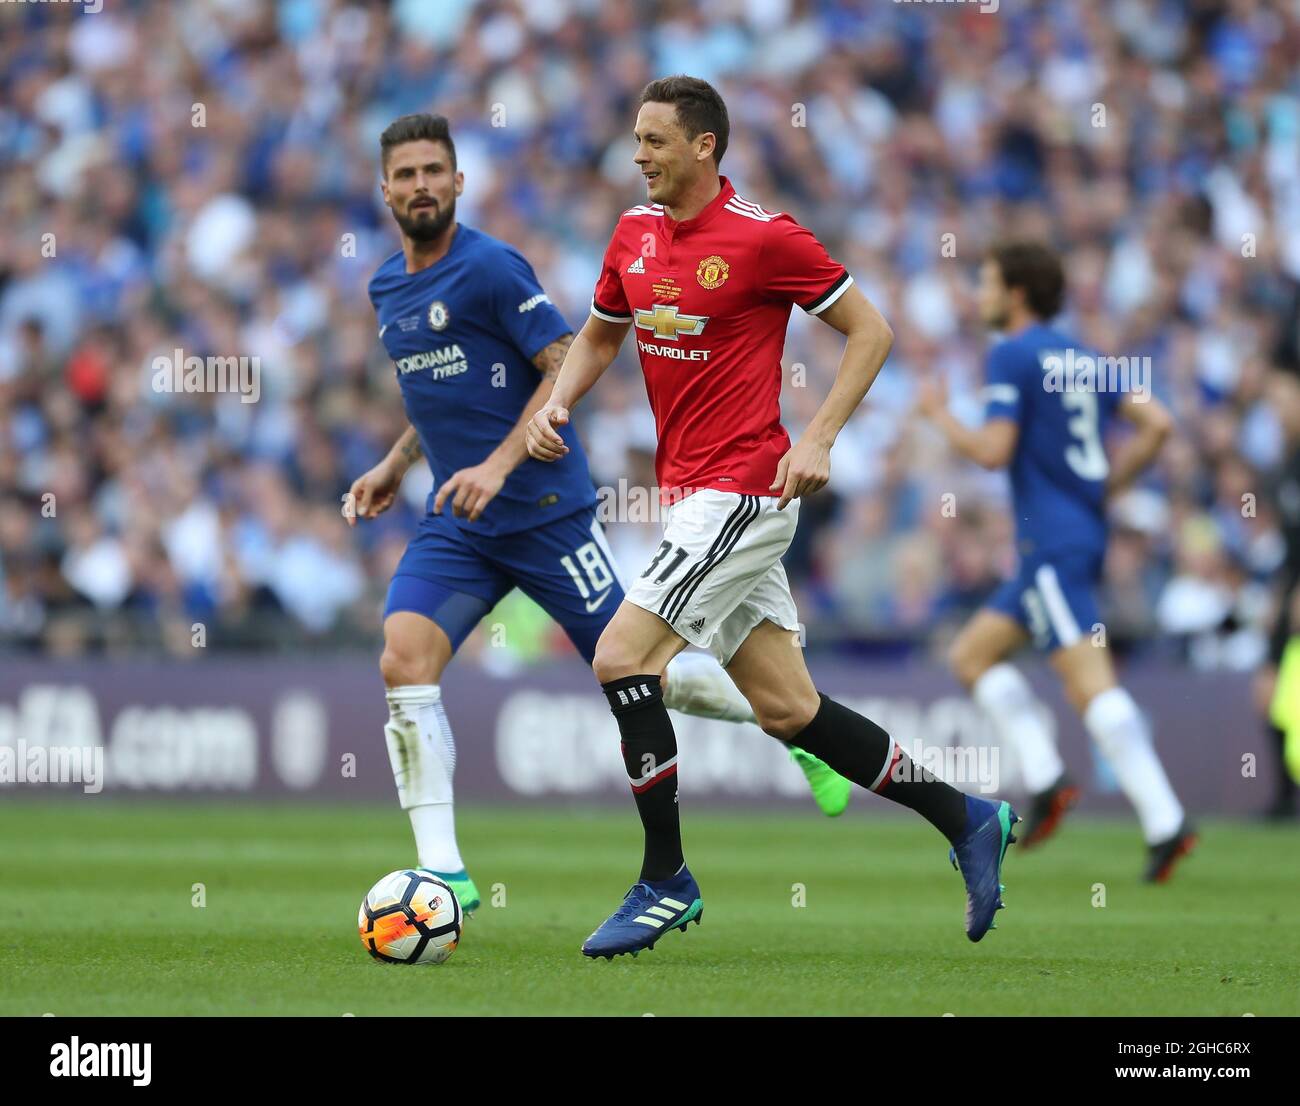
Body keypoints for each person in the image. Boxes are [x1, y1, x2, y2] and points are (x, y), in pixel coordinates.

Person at [527, 76, 1018, 959]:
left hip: (746, 492)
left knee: (620, 655)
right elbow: (603, 330)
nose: (638, 155)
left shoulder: (763, 239)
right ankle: (969, 816)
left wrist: (819, 436)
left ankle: (664, 880)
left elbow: (871, 331)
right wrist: (557, 403)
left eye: (654, 141)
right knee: (790, 711)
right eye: (635, 140)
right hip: (692, 496)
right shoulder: (633, 234)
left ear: (704, 146)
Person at [350, 113, 850, 914]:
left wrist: (503, 461)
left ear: (458, 182)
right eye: (405, 175)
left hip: (546, 514)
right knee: (402, 661)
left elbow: (557, 365)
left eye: (433, 172)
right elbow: (442, 396)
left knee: (640, 670)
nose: (420, 187)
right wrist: (395, 462)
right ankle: (443, 872)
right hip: (460, 521)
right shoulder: (385, 286)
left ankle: (781, 722)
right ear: (385, 190)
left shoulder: (491, 270)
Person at [916, 240, 1195, 882]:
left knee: (1088, 683)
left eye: (986, 283)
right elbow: (1158, 423)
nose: (980, 295)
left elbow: (991, 452)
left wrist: (939, 417)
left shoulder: (1012, 353)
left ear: (1016, 293)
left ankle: (1165, 819)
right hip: (1074, 535)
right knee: (971, 657)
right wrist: (1104, 488)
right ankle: (1047, 779)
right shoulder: (1082, 355)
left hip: (1050, 544)